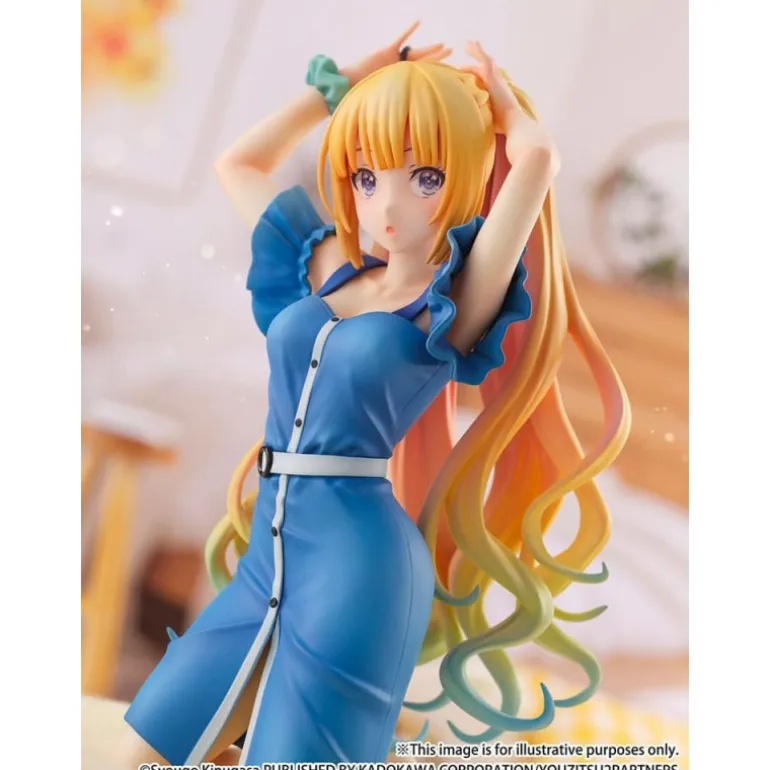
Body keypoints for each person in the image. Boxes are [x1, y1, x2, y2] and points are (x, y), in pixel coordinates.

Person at [121, 21, 631, 766]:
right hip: (268, 555)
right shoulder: (328, 261)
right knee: (147, 748)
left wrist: (504, 108)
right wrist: (336, 88)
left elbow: (538, 161)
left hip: (357, 568)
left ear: (464, 178)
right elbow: (239, 163)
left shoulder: (452, 302)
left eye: (424, 178)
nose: (388, 204)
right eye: (367, 177)